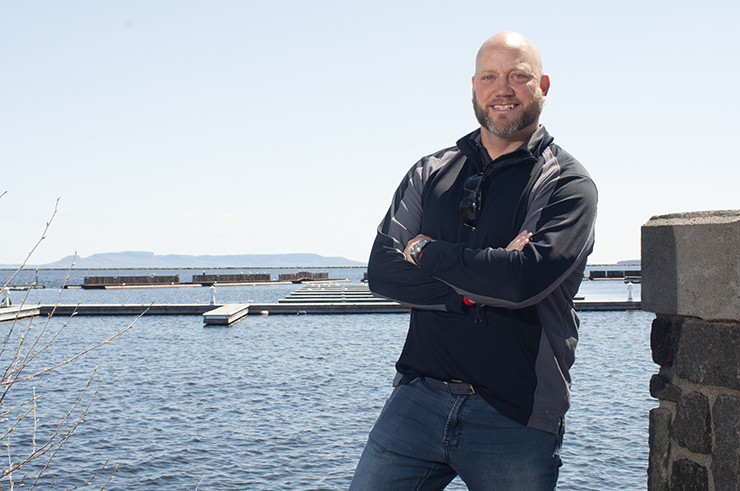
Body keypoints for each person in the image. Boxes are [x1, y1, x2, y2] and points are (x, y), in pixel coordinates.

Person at [349, 31, 598, 491]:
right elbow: (383, 270)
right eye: (490, 76)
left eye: (518, 76)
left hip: (515, 414)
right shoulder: (431, 171)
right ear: (473, 86)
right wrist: (480, 286)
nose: (502, 88)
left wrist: (425, 251)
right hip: (415, 400)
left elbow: (522, 282)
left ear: (542, 84)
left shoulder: (567, 184)